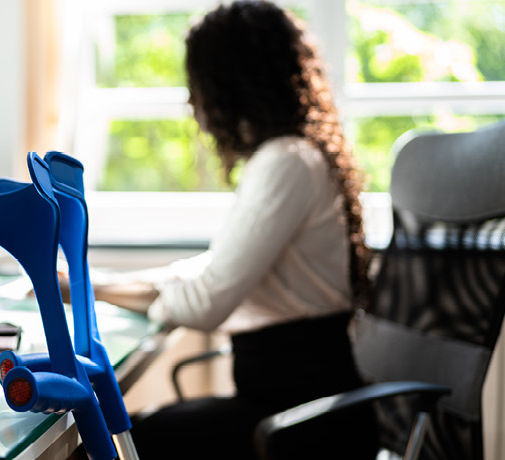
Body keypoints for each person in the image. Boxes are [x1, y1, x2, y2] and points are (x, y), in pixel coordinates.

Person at [93, 2, 379, 459]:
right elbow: (211, 271)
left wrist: (155, 300)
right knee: (128, 434)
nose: (191, 100)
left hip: (302, 421)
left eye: (198, 84)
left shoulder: (285, 162)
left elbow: (206, 301)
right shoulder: (287, 157)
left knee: (119, 442)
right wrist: (93, 287)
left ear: (231, 83)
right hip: (289, 408)